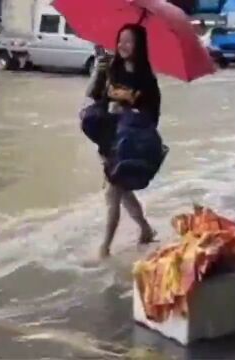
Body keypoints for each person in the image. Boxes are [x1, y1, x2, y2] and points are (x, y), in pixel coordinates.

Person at [84, 24, 161, 259]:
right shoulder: (112, 69)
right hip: (108, 139)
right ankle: (146, 229)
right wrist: (98, 71)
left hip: (128, 144)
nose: (122, 45)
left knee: (113, 192)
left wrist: (130, 108)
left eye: (128, 41)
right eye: (120, 40)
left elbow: (152, 117)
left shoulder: (147, 79)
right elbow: (92, 96)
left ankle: (105, 247)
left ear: (139, 46)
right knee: (122, 190)